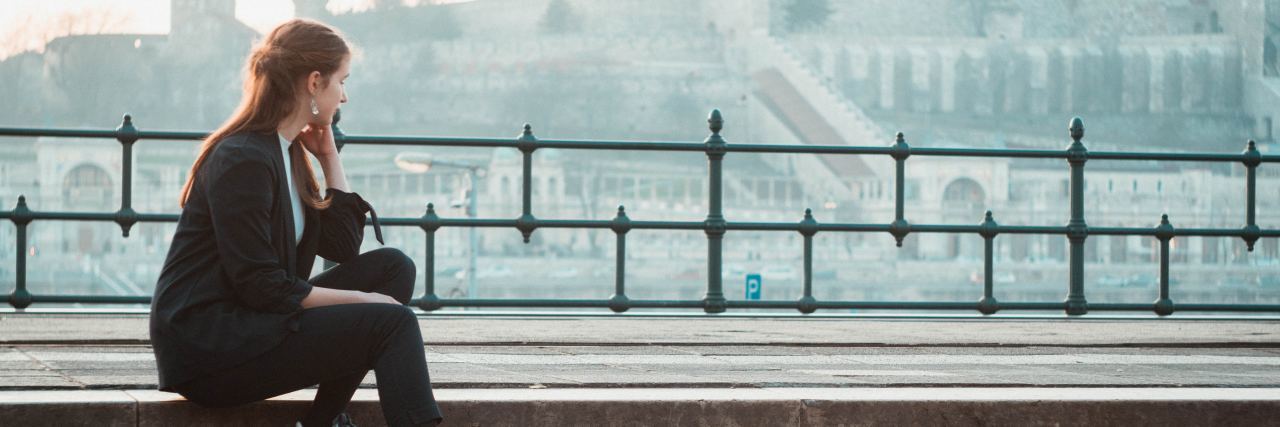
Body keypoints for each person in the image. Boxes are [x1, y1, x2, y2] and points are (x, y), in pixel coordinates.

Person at [149, 19, 443, 427]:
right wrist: (364, 301)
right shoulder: (244, 158)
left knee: (394, 269)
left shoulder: (286, 152)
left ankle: (320, 421)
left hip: (253, 321)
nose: (345, 95)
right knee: (393, 321)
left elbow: (341, 246)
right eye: (342, 81)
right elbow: (260, 284)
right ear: (315, 82)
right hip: (212, 349)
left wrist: (328, 158)